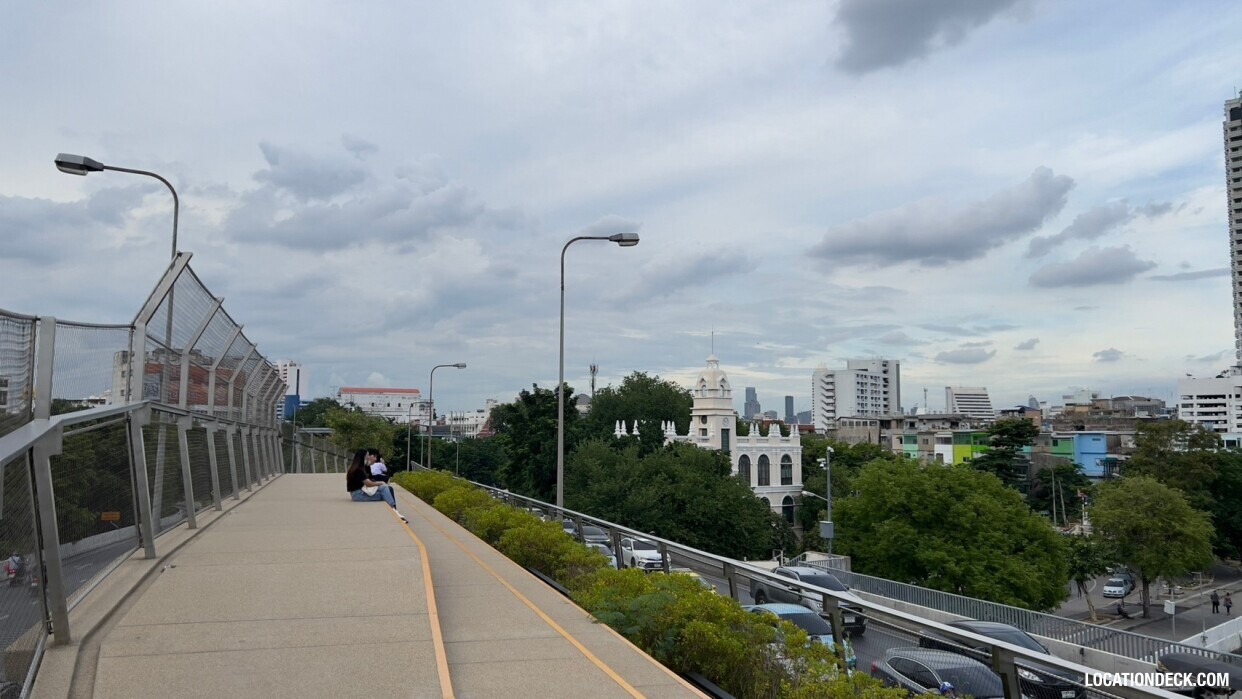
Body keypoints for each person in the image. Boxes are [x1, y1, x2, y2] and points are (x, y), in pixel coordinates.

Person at [346, 449, 406, 523]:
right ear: (363, 457)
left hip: (360, 491)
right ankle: (395, 511)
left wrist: (368, 467)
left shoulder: (361, 467)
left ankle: (394, 510)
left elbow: (370, 479)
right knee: (385, 493)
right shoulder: (358, 470)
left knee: (386, 489)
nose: (369, 457)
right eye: (367, 455)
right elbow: (368, 483)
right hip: (357, 494)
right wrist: (381, 482)